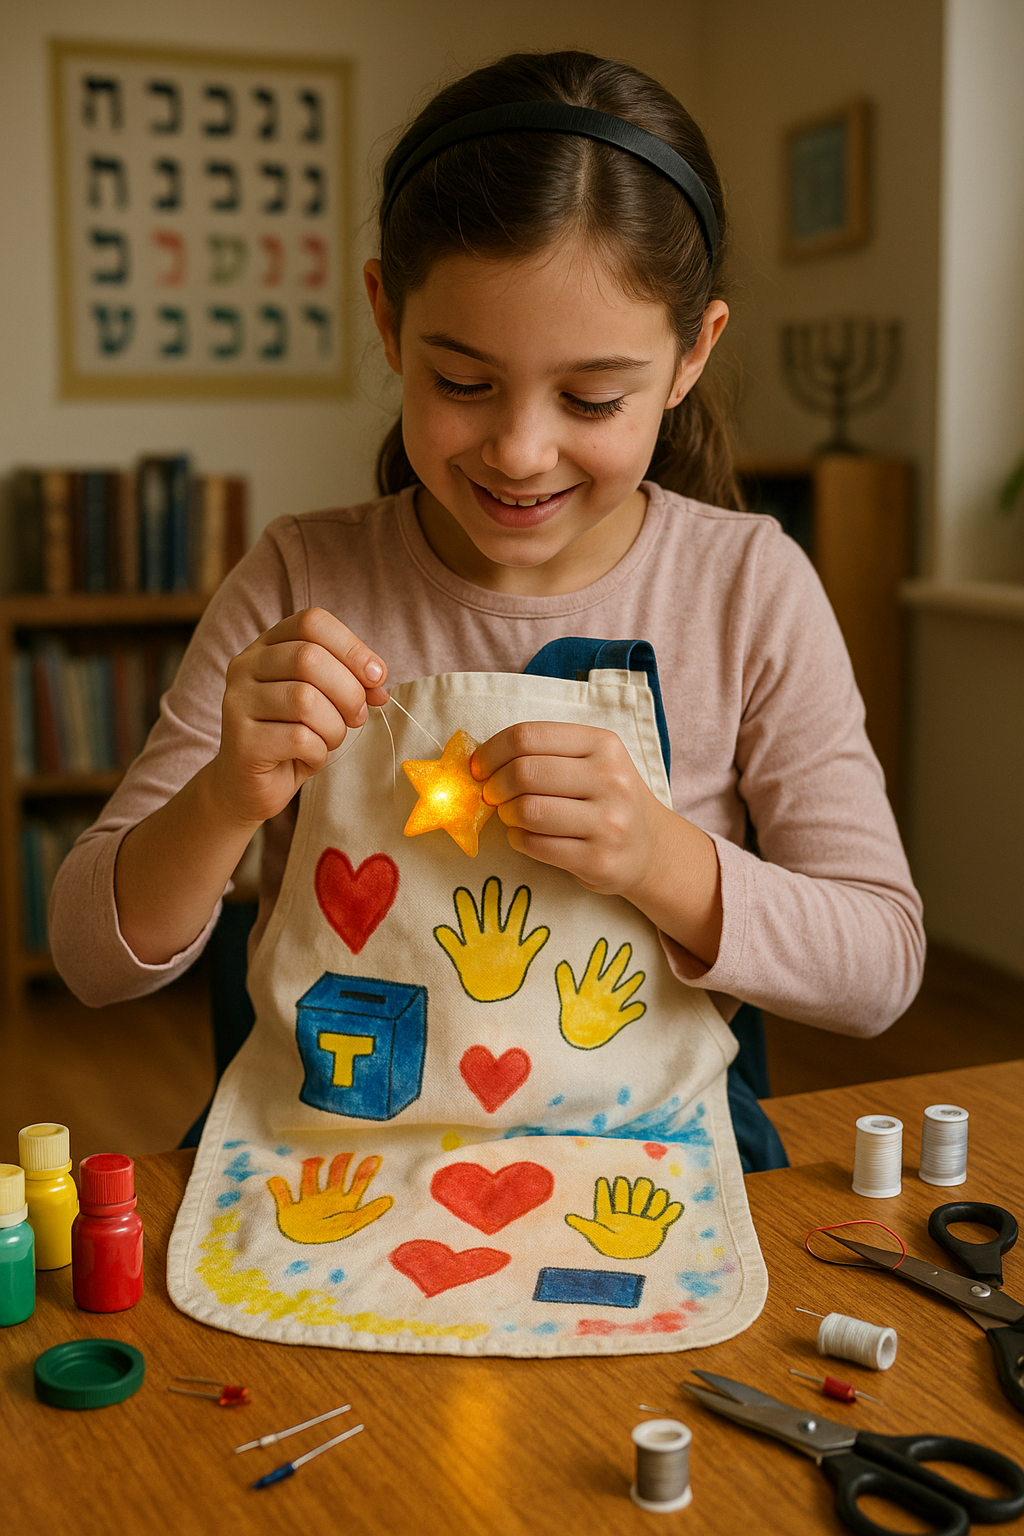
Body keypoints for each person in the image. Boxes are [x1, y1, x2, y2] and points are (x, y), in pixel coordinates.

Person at [49, 51, 924, 1180]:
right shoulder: (297, 573)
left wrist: (664, 859)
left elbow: (881, 967)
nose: (517, 450)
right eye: (461, 382)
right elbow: (89, 956)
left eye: (591, 398)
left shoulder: (748, 586)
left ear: (689, 356)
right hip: (329, 1170)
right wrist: (225, 795)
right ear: (386, 317)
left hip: (641, 1170)